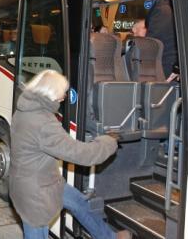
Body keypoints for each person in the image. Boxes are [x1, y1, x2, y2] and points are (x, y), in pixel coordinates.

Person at [9, 70, 131, 239]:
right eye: (63, 91)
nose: (65, 96)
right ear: (51, 93)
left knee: (80, 203)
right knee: (36, 232)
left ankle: (109, 237)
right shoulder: (43, 122)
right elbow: (82, 155)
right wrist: (108, 142)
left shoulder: (25, 108)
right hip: (35, 194)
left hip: (41, 181)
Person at [146, 0, 178, 77]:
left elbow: (153, 45)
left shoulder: (162, 9)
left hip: (164, 68)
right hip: (167, 68)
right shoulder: (168, 10)